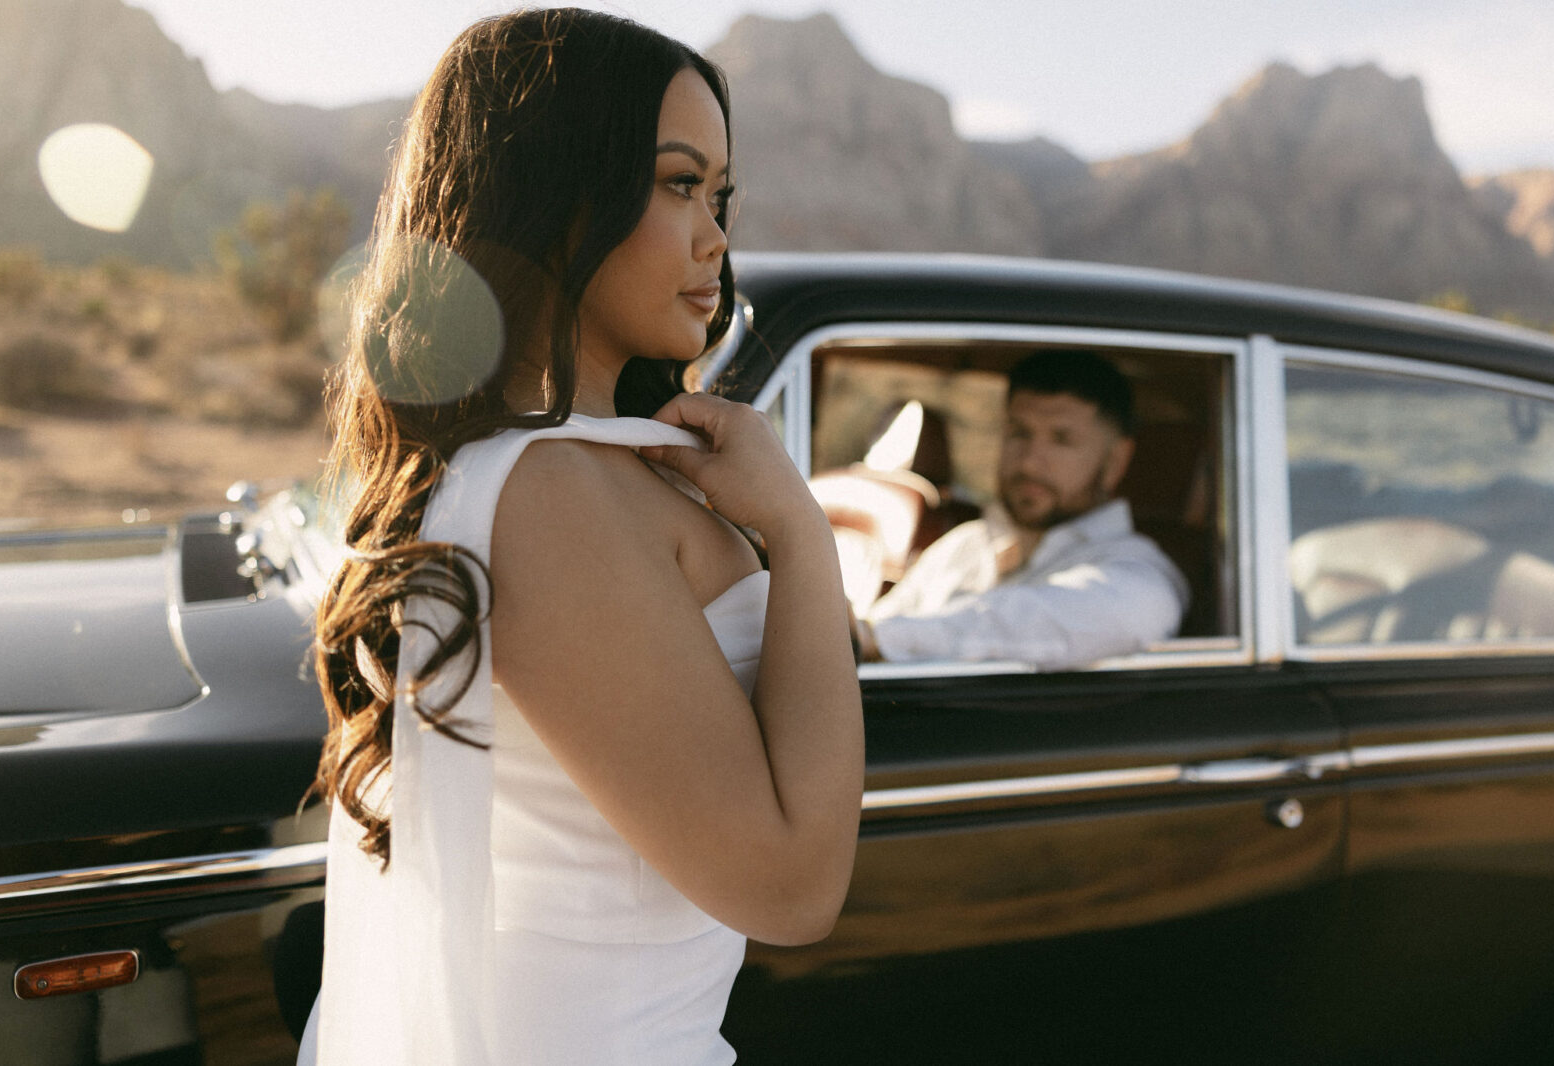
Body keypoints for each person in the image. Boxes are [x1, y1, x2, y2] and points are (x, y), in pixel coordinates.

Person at [299, 10, 864, 1064]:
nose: (716, 237)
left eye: (721, 195)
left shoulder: (581, 467)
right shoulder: (553, 491)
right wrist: (800, 532)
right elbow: (790, 886)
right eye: (679, 183)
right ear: (557, 193)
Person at [852, 350, 1188, 670]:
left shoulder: (1139, 573)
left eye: (1061, 439)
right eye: (1019, 433)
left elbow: (1055, 620)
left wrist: (884, 638)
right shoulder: (963, 546)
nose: (1029, 460)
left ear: (1115, 461)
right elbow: (867, 636)